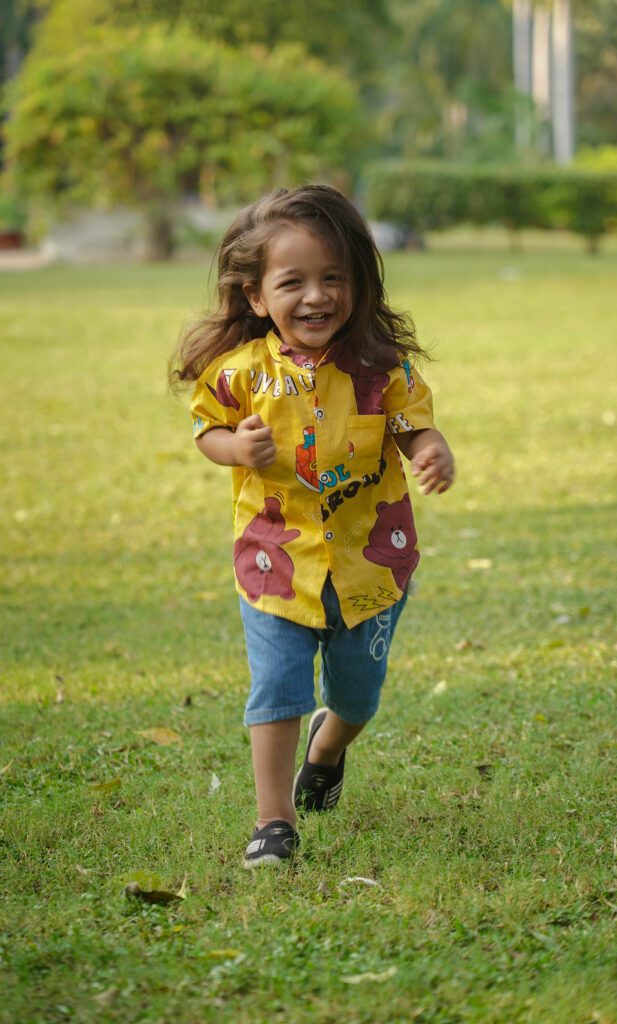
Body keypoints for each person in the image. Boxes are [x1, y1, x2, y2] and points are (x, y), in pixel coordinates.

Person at [171, 185, 455, 868]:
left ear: (357, 284)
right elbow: (207, 431)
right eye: (292, 281)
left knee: (356, 697)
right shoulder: (239, 374)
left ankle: (326, 748)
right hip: (275, 562)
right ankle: (274, 821)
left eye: (333, 278)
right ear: (256, 297)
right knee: (276, 688)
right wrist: (235, 449)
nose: (316, 296)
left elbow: (414, 426)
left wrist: (430, 451)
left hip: (370, 563)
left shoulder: (381, 369)